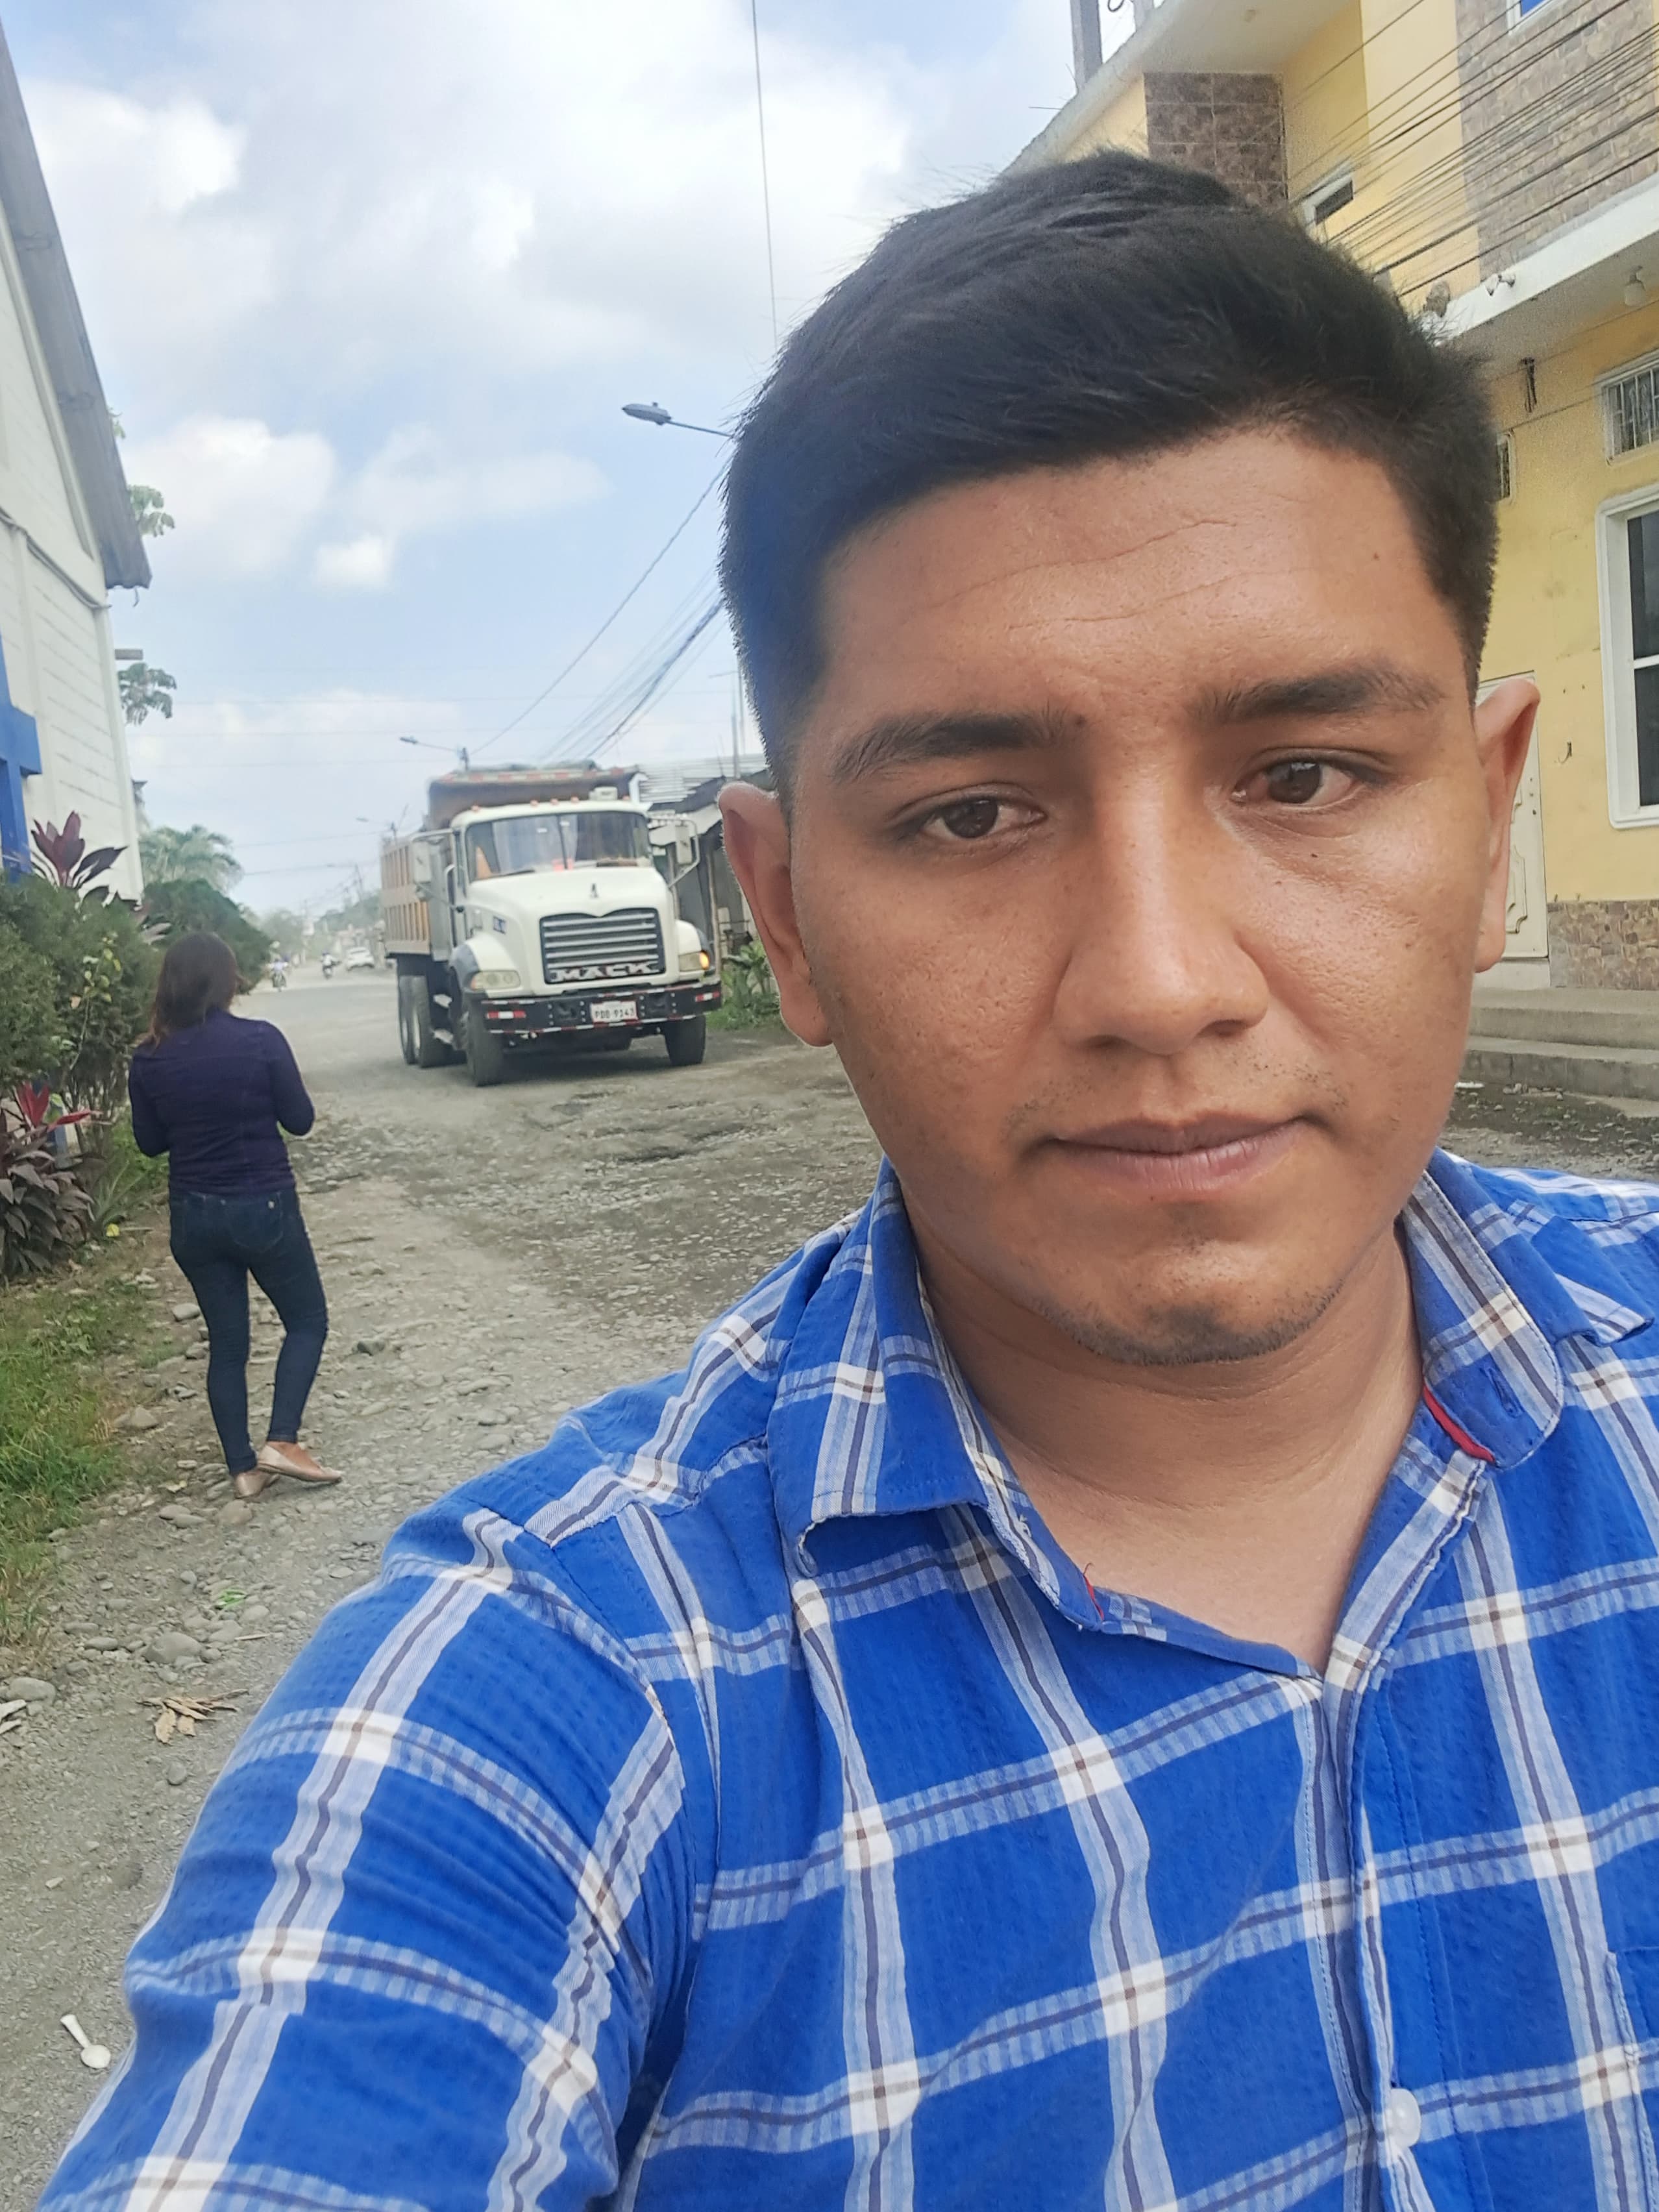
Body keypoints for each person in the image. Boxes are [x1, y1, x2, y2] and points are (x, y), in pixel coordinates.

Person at [43, 153, 1659, 2212]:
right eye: (973, 813)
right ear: (788, 914)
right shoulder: (563, 1699)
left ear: (1491, 821)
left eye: (1303, 776)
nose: (1160, 982)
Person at [126, 931, 338, 1502]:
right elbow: (300, 1121)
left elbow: (150, 1143)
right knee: (307, 1320)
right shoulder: (260, 1040)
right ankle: (282, 1441)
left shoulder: (148, 1057)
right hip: (262, 1205)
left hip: (193, 1216)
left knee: (227, 1344)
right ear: (226, 981)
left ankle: (243, 1470)